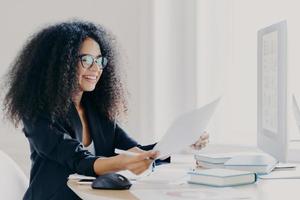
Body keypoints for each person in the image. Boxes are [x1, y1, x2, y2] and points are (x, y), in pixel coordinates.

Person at [3, 21, 209, 200]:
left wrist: (181, 143)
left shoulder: (96, 111)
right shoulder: (37, 114)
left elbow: (134, 151)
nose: (96, 68)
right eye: (86, 60)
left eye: (100, 60)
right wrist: (122, 163)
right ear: (61, 64)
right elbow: (78, 160)